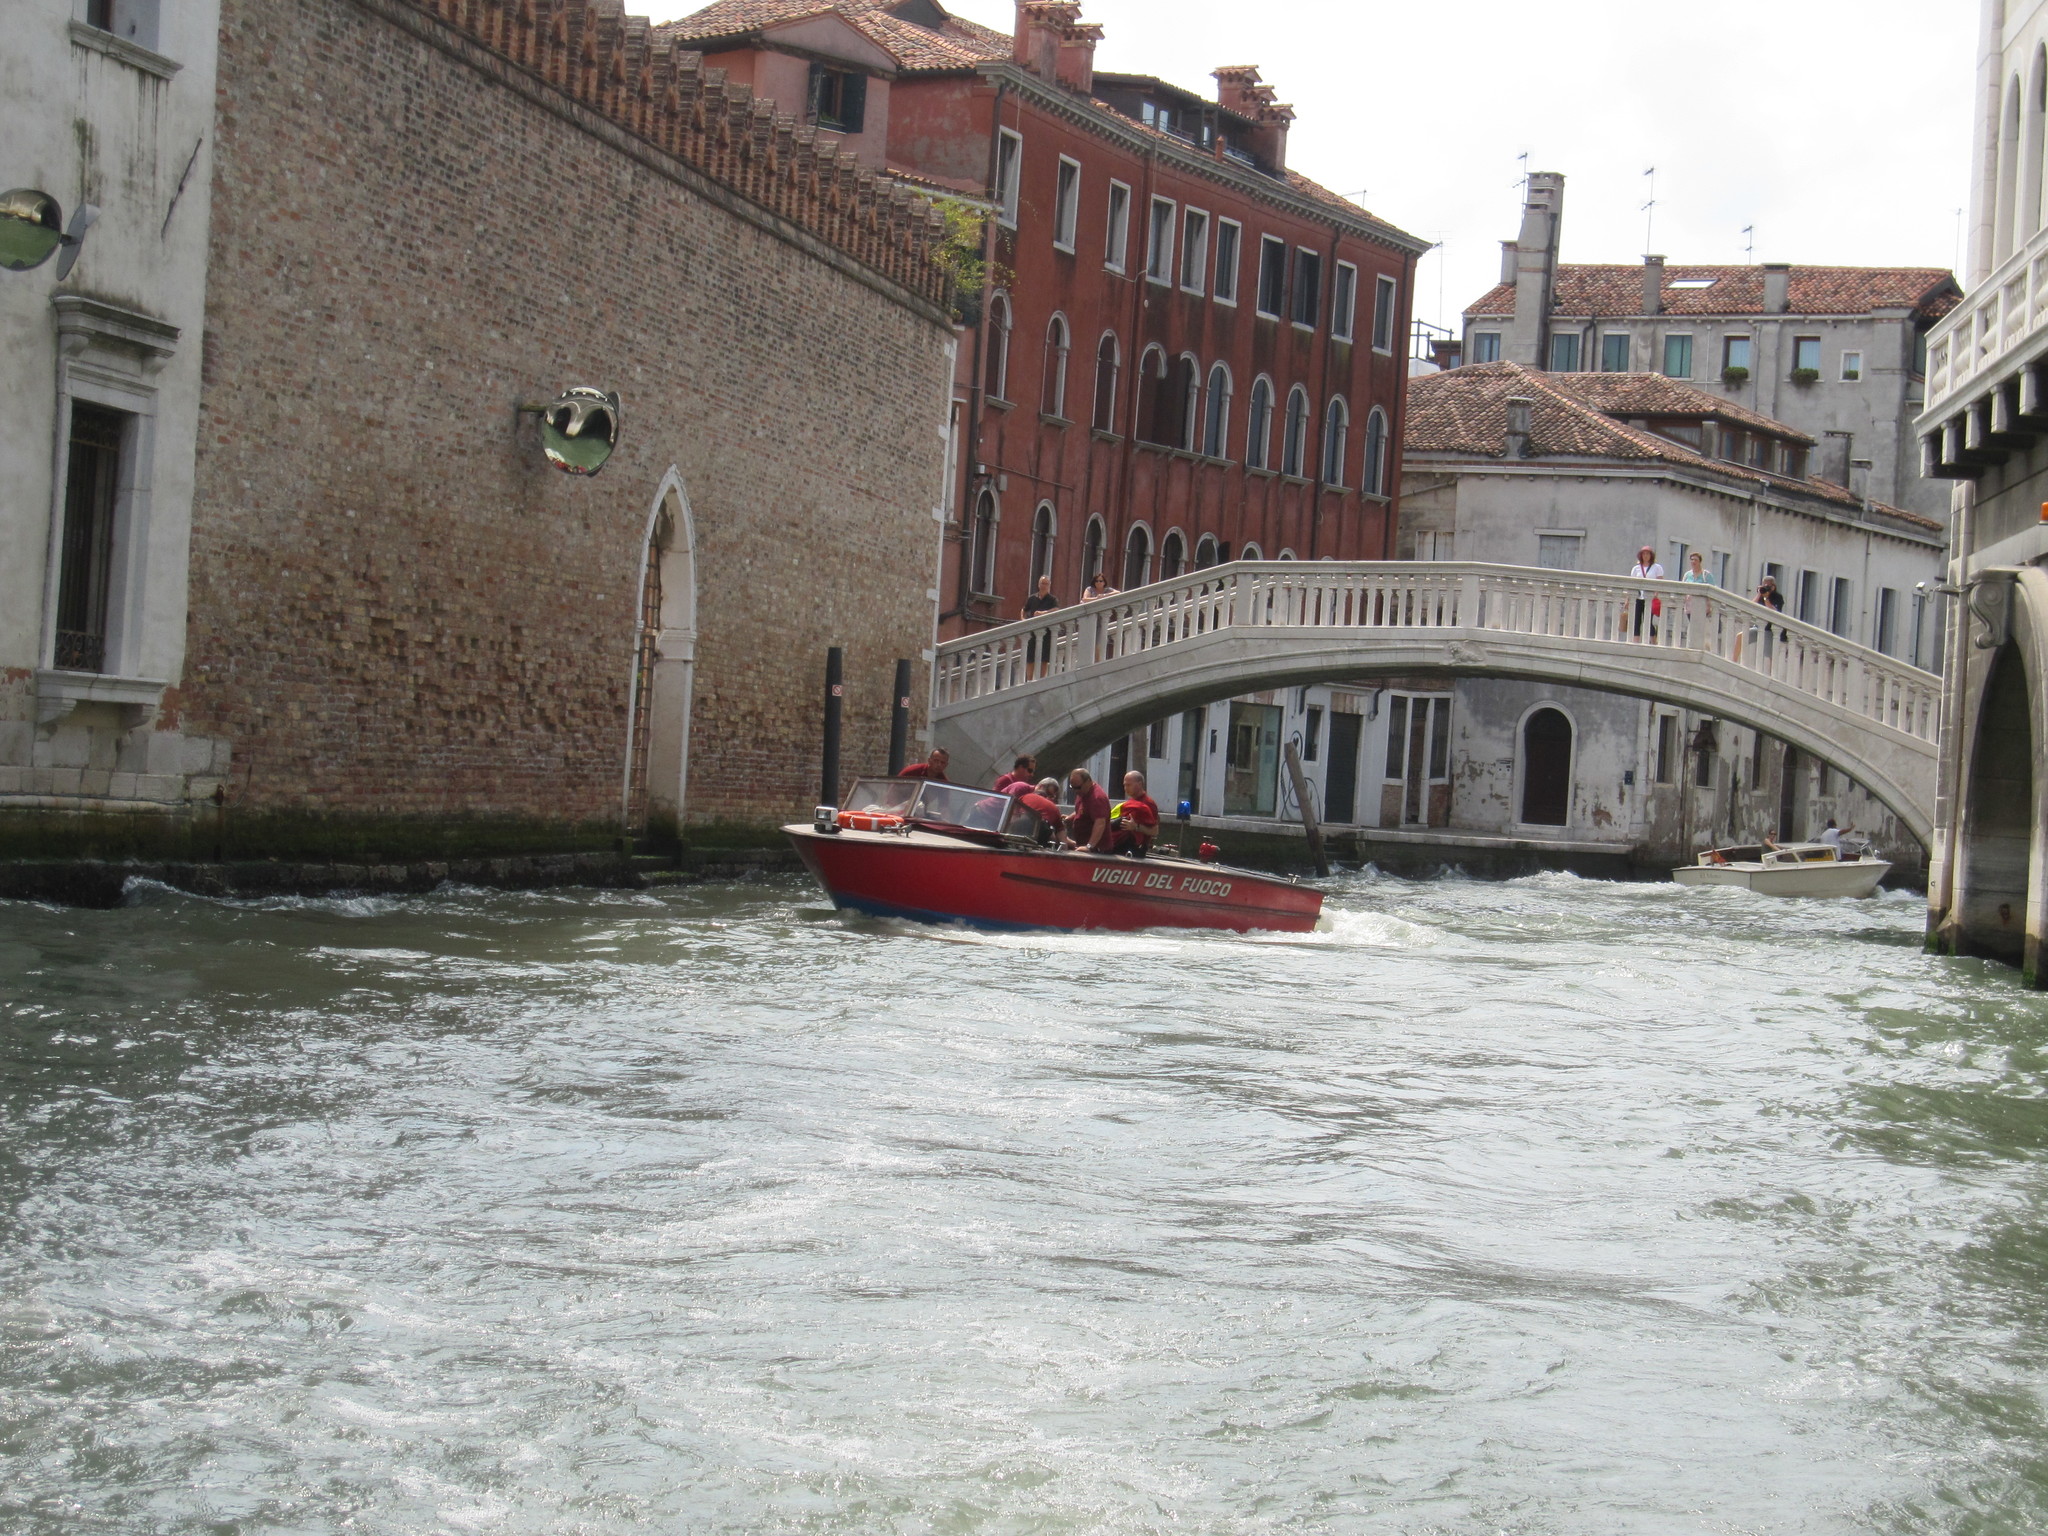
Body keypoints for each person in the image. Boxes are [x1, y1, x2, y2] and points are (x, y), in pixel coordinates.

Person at [1111, 770, 1160, 856]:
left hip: (1137, 848)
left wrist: (1136, 827)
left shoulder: (1148, 803)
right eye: (1124, 785)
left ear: (1140, 784)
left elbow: (1154, 831)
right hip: (1122, 843)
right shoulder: (1129, 802)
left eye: (1129, 785)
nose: (1126, 788)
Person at [1065, 766, 1113, 852]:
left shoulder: (1097, 798)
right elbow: (1081, 810)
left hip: (1098, 850)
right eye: (1073, 787)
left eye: (1078, 787)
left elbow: (1100, 823)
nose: (1076, 791)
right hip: (1082, 844)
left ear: (1088, 781)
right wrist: (1069, 818)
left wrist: (1089, 846)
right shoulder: (1083, 793)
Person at [1020, 577, 1060, 679]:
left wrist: (1043, 613)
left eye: (1046, 584)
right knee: (1030, 657)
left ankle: (1041, 678)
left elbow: (1056, 609)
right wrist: (1022, 619)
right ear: (1038, 585)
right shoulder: (1032, 598)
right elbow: (1024, 609)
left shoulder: (1052, 599)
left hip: (1047, 631)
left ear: (1049, 586)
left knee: (1044, 657)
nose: (1044, 586)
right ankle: (1028, 679)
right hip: (1032, 631)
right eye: (1042, 583)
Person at [1628, 545, 1665, 640]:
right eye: (1643, 554)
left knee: (1648, 620)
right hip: (1638, 597)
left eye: (1647, 554)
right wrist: (1627, 600)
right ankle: (1635, 642)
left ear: (1651, 555)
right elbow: (1632, 585)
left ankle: (1653, 640)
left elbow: (1660, 582)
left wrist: (1656, 594)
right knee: (1637, 620)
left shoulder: (1657, 567)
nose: (1645, 556)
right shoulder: (1636, 568)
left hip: (1650, 598)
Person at [1015, 776, 1065, 845]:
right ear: (1040, 787)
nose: (1050, 798)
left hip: (1016, 835)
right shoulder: (1055, 808)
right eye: (1049, 794)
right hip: (1039, 840)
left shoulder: (1024, 797)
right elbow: (1063, 840)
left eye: (1052, 796)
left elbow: (1012, 816)